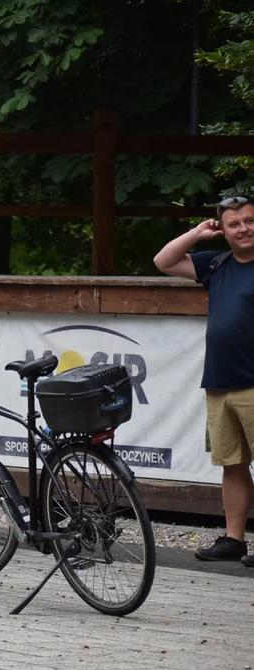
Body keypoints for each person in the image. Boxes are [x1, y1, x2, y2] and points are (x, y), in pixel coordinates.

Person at [153, 196, 254, 565]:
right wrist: (197, 233)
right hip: (220, 381)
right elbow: (163, 262)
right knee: (232, 464)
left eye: (249, 220)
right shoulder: (216, 262)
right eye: (234, 224)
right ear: (223, 232)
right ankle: (234, 539)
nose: (244, 228)